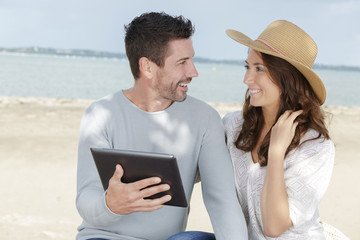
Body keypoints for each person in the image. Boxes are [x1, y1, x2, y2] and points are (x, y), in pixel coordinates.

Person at [76, 12, 247, 240]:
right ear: (147, 67)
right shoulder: (100, 115)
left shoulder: (205, 118)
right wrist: (111, 205)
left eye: (191, 60)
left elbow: (222, 199)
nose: (193, 72)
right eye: (182, 63)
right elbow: (86, 199)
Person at [222, 20, 335, 239]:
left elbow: (273, 228)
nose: (247, 79)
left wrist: (276, 153)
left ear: (287, 78)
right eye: (247, 66)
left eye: (259, 69)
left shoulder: (315, 146)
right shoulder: (233, 126)